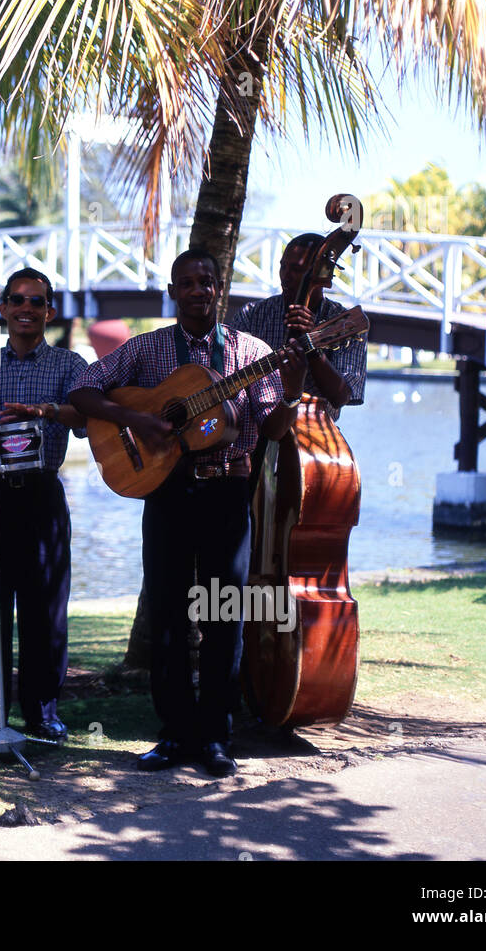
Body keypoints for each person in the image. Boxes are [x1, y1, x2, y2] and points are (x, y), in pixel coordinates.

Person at [68, 249, 306, 778]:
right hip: (167, 491)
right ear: (174, 291)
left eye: (208, 281)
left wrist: (290, 390)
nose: (199, 290)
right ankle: (174, 733)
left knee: (224, 614)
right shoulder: (148, 349)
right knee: (170, 615)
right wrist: (137, 419)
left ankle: (216, 737)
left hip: (228, 493)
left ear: (219, 288)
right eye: (188, 282)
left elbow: (271, 428)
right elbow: (81, 390)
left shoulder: (252, 351)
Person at [0, 268, 87, 742]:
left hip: (42, 495)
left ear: (49, 311)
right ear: (3, 308)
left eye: (37, 302)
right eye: (18, 300)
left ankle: (42, 713)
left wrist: (46, 411)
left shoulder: (70, 366)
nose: (27, 309)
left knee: (45, 609)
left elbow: (90, 419)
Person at [228, 233, 367, 418]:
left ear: (322, 273)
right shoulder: (252, 314)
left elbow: (341, 396)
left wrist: (311, 345)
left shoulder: (344, 321)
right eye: (283, 266)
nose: (285, 275)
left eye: (296, 269)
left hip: (313, 431)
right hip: (256, 426)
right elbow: (227, 373)